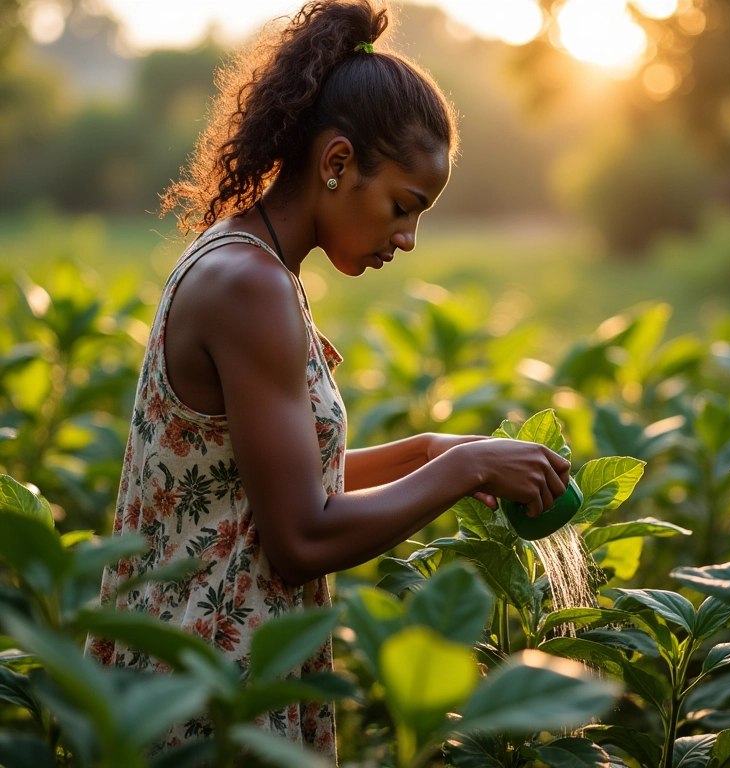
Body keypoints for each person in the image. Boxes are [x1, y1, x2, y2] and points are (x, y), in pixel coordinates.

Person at [86, 0, 571, 760]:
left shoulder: (250, 261)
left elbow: (257, 491)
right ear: (337, 163)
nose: (407, 239)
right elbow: (300, 537)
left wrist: (428, 451)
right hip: (209, 689)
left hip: (202, 661)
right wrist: (466, 467)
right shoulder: (250, 286)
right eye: (404, 208)